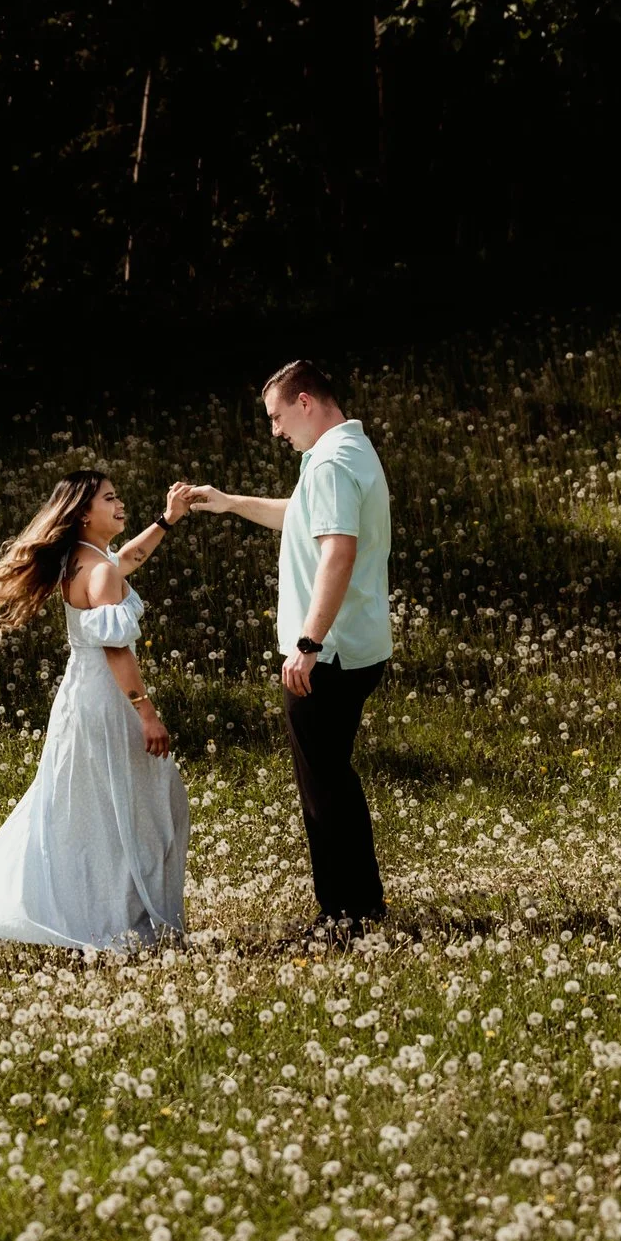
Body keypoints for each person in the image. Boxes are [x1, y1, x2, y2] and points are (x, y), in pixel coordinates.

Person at [0, 471, 194, 949]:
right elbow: (117, 649)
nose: (119, 504)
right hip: (108, 699)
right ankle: (121, 920)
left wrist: (167, 520)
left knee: (88, 807)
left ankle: (88, 910)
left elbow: (126, 559)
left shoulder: (82, 560)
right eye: (109, 498)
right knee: (147, 808)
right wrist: (147, 713)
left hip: (79, 695)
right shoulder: (99, 569)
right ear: (83, 513)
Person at [174, 359, 392, 930]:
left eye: (276, 417)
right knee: (334, 778)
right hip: (359, 645)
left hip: (329, 651)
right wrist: (230, 502)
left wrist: (308, 642)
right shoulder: (351, 450)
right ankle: (363, 903)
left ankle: (343, 914)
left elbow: (337, 552)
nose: (274, 431)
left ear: (304, 403)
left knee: (322, 787)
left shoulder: (328, 463)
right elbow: (303, 518)